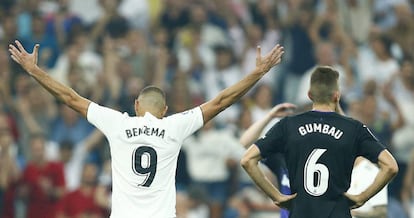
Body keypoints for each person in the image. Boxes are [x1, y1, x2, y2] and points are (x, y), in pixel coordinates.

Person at [8, 40, 284, 218]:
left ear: (136, 105)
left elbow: (70, 98)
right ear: (164, 111)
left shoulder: (118, 122)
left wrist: (35, 71)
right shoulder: (174, 126)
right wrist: (257, 73)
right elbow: (222, 101)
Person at [241, 66, 399, 218]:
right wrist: (362, 197)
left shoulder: (288, 125)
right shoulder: (354, 128)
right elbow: (390, 166)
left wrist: (276, 196)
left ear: (310, 95)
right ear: (336, 96)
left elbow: (248, 160)